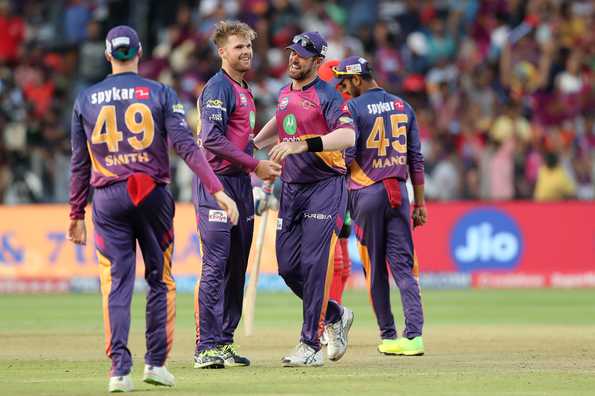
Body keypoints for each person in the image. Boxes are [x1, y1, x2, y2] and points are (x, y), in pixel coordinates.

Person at [67, 25, 239, 392]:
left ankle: (118, 371)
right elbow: (188, 147)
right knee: (159, 280)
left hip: (108, 198)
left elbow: (79, 165)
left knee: (116, 285)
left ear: (109, 54)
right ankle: (156, 364)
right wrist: (218, 190)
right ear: (140, 52)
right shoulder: (159, 92)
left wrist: (75, 214)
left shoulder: (86, 98)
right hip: (152, 196)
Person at [254, 32, 356, 367]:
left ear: (317, 62)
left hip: (324, 187)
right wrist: (250, 146)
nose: (293, 59)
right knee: (287, 267)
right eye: (292, 53)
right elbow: (281, 122)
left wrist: (303, 144)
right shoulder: (285, 94)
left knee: (313, 266)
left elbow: (347, 135)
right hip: (292, 189)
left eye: (302, 55)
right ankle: (335, 314)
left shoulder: (328, 96)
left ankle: (309, 345)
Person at [191, 20, 281, 369]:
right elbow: (211, 138)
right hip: (216, 185)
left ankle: (224, 341)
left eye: (248, 46)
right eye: (238, 46)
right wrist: (254, 165)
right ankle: (205, 346)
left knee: (236, 267)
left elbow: (243, 138)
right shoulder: (218, 88)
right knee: (215, 264)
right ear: (222, 52)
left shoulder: (244, 89)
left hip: (241, 186)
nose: (245, 52)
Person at [331, 56, 426, 356]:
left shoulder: (352, 109)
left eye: (345, 82)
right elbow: (416, 160)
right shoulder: (403, 106)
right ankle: (414, 338)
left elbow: (347, 155)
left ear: (358, 79)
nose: (342, 88)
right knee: (404, 270)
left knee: (376, 269)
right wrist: (420, 204)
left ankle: (388, 335)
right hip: (399, 192)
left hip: (366, 194)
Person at [318, 59, 352, 306]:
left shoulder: (349, 105)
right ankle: (328, 319)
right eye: (336, 84)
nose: (340, 89)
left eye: (342, 83)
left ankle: (335, 314)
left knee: (343, 257)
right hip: (324, 183)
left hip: (349, 182)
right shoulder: (316, 103)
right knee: (333, 257)